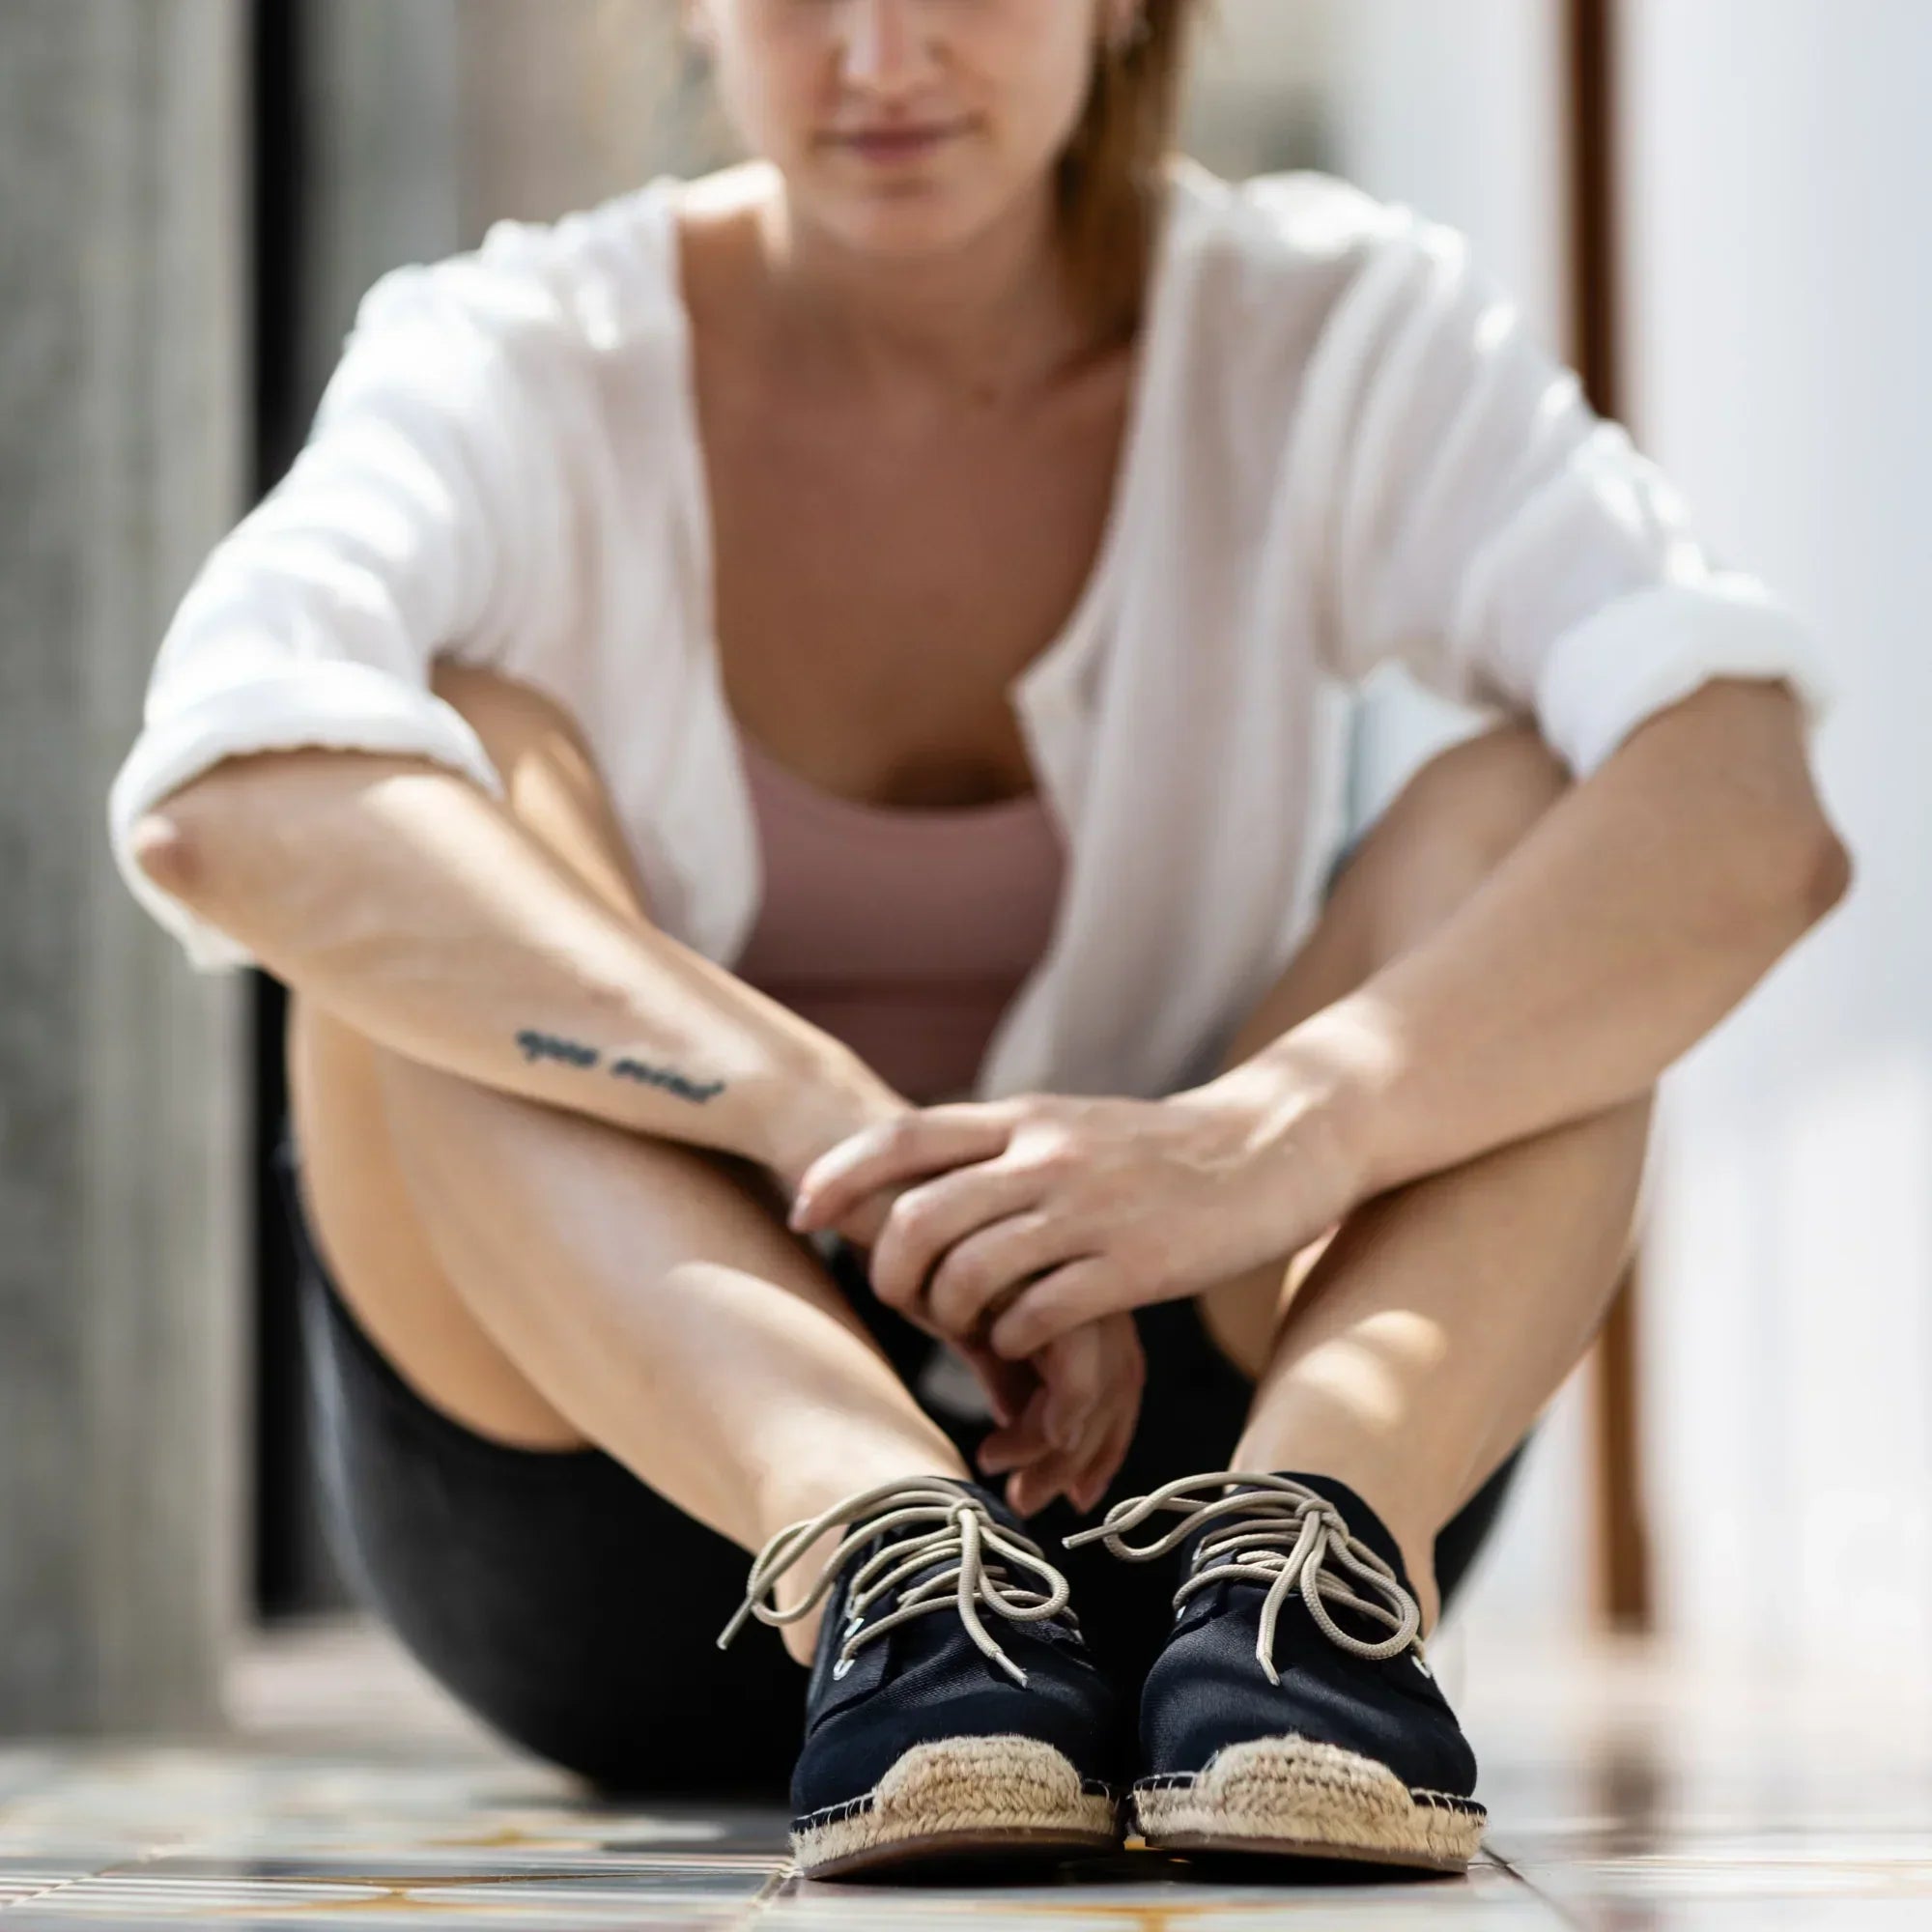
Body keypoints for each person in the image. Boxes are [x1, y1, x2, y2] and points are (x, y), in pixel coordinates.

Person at [108, 0, 1847, 1886]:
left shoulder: (1330, 325)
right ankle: (883, 1553)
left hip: (1204, 1511)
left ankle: (1323, 1568)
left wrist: (1267, 1140)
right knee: (419, 800)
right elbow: (226, 800)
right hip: (636, 1511)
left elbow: (1747, 819)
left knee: (1549, 819)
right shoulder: (515, 352)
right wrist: (811, 1119)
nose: (882, 57)